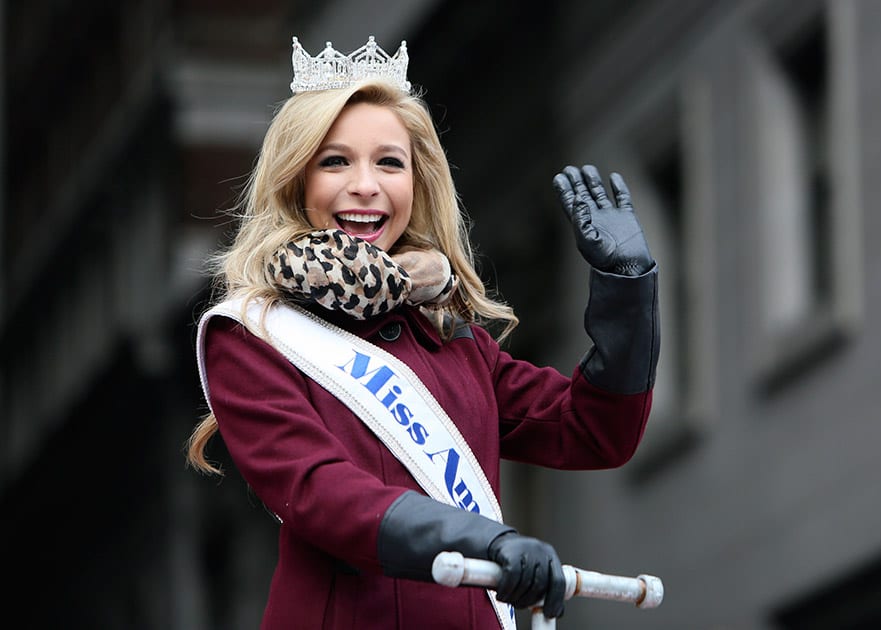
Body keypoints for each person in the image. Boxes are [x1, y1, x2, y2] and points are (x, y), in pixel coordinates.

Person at [185, 34, 659, 630]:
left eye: (389, 162)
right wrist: (484, 540)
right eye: (335, 161)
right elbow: (319, 492)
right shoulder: (253, 334)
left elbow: (591, 432)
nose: (366, 184)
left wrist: (627, 285)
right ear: (295, 181)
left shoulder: (450, 336)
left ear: (417, 182)